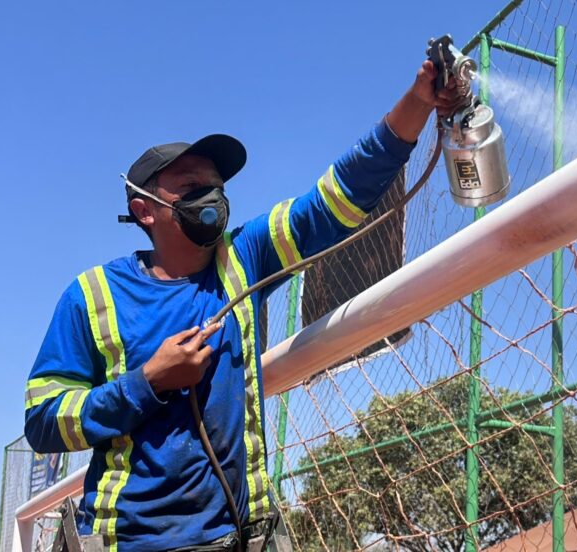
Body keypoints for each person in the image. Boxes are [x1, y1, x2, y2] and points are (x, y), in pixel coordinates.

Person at [24, 60, 466, 552]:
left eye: (218, 187)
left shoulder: (245, 256)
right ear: (144, 209)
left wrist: (418, 103)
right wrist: (148, 383)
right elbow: (43, 422)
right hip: (132, 543)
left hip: (243, 536)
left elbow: (336, 199)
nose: (213, 198)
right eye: (193, 189)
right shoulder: (91, 296)